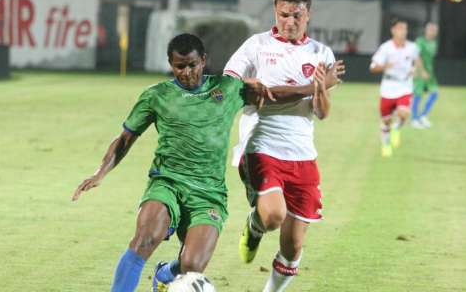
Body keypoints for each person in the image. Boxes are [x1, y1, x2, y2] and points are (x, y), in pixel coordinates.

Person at [72, 33, 340, 292]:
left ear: (203, 60)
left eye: (192, 65)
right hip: (167, 183)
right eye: (179, 66)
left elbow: (275, 95)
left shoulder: (227, 88)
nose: (187, 73)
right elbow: (125, 139)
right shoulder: (156, 95)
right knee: (144, 240)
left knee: (191, 267)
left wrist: (317, 86)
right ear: (171, 65)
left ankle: (166, 274)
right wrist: (100, 172)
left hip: (208, 194)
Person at [223, 0, 345, 292]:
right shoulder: (257, 45)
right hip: (261, 145)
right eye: (283, 15)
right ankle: (255, 224)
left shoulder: (321, 52)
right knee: (274, 216)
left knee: (292, 248)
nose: (289, 22)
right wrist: (313, 86)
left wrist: (321, 90)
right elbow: (259, 94)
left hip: (303, 153)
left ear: (309, 15)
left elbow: (322, 112)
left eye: (296, 16)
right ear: (275, 11)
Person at [370, 18, 428, 157]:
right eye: (400, 28)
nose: (403, 31)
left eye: (405, 28)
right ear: (393, 30)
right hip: (388, 88)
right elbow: (372, 67)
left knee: (404, 113)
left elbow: (417, 58)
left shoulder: (412, 47)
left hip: (404, 86)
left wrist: (420, 70)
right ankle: (386, 144)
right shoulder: (386, 48)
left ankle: (397, 127)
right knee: (386, 121)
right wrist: (385, 66)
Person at [412, 22, 439, 128]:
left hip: (429, 73)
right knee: (417, 95)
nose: (434, 32)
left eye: (435, 30)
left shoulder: (434, 43)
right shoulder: (420, 41)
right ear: (427, 30)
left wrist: (428, 71)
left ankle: (422, 116)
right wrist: (421, 70)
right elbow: (416, 56)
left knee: (435, 93)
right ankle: (414, 119)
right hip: (420, 72)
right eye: (432, 29)